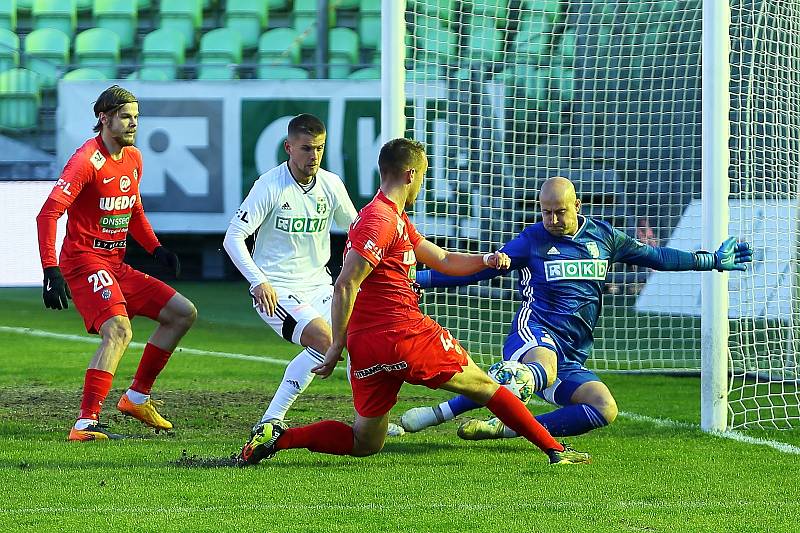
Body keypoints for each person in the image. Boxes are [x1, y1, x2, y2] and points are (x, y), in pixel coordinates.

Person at [236, 139, 591, 466]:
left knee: (365, 441)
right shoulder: (380, 220)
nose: (422, 183)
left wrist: (485, 259)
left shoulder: (390, 217)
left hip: (370, 347)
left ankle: (277, 439)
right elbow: (346, 283)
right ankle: (556, 451)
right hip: (404, 334)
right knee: (488, 388)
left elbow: (443, 259)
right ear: (410, 174)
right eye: (422, 176)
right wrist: (335, 345)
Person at [399, 176, 753, 440]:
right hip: (534, 333)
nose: (552, 219)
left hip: (573, 352)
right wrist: (418, 280)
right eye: (546, 212)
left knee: (603, 408)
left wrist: (710, 260)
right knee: (541, 367)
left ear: (577, 206)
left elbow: (656, 256)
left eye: (559, 212)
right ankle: (434, 414)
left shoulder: (604, 237)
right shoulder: (532, 239)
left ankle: (503, 429)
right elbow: (477, 271)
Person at [223, 114, 404, 437]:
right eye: (306, 149)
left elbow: (356, 230)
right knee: (326, 340)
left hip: (320, 286)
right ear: (288, 148)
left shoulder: (331, 184)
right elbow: (233, 237)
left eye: (319, 149)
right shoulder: (270, 186)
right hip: (278, 290)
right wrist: (258, 281)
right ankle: (270, 419)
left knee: (362, 340)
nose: (314, 156)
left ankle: (371, 421)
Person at [36, 85, 197, 441]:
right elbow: (48, 214)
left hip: (115, 263)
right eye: (126, 116)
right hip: (84, 261)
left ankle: (136, 398)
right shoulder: (85, 161)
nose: (133, 124)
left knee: (182, 313)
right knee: (119, 331)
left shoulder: (133, 158)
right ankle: (85, 423)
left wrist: (155, 249)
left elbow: (133, 209)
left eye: (136, 117)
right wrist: (51, 268)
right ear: (104, 118)